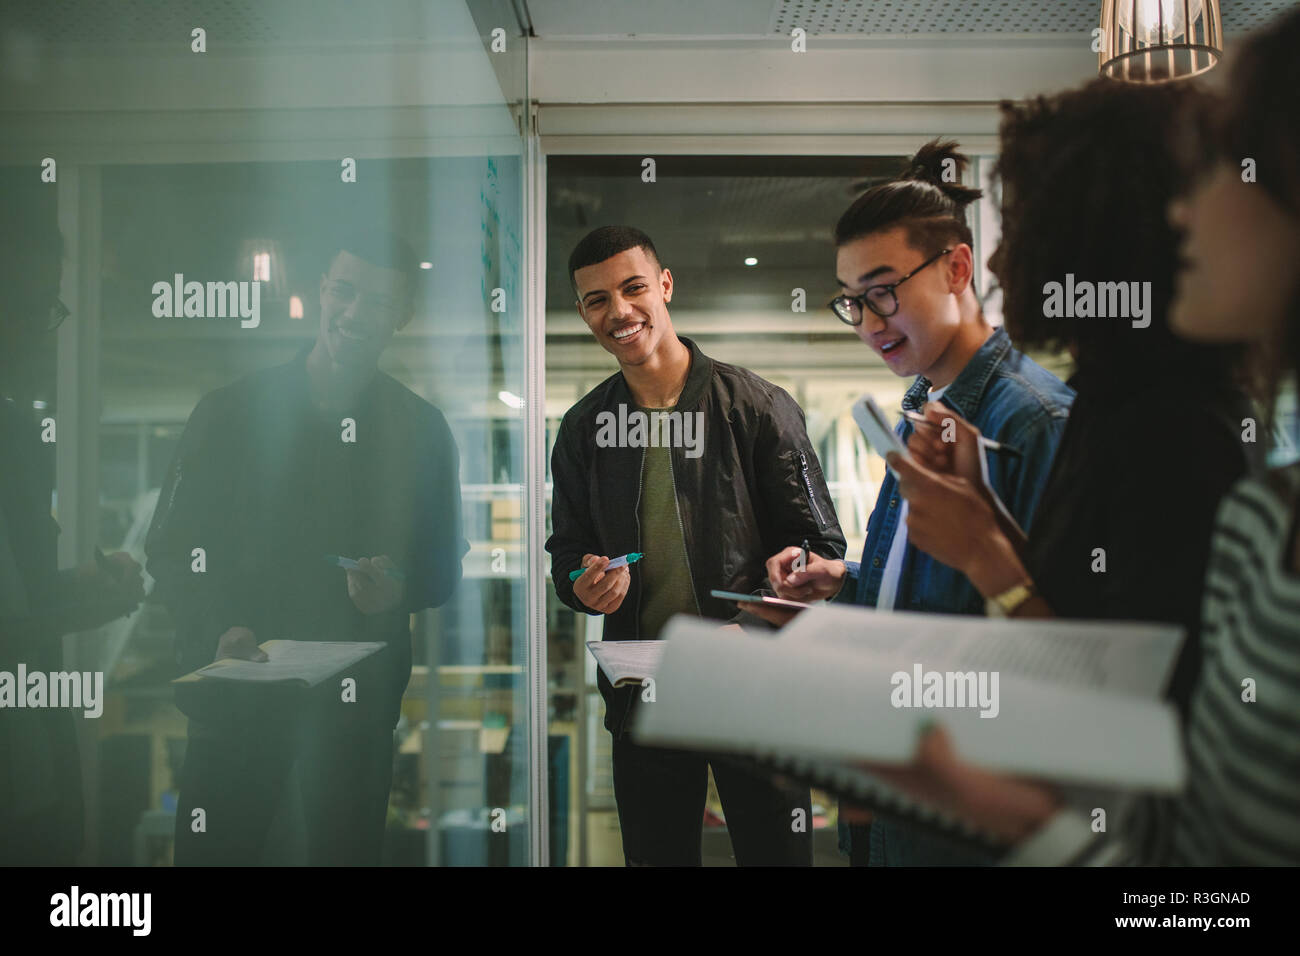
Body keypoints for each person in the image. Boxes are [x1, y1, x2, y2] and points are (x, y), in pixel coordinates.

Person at [868, 22, 1300, 863]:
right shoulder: (1121, 402)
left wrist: (988, 556)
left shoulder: (1164, 427)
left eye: (1023, 220)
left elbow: (1134, 723)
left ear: (1096, 231)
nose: (996, 263)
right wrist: (988, 521)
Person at [758, 142, 1074, 866]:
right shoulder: (920, 410)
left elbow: (1068, 647)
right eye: (851, 301)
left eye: (884, 290)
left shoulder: (1028, 423)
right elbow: (941, 595)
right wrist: (849, 583)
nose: (869, 320)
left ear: (958, 269)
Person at [146, 227, 468, 865]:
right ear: (319, 291)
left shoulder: (422, 431)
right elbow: (171, 547)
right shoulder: (230, 412)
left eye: (377, 302)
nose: (353, 314)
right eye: (343, 292)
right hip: (237, 700)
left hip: (352, 720)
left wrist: (396, 588)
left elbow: (441, 567)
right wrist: (218, 627)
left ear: (400, 316)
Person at [546, 225, 845, 866]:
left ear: (665, 286)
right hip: (646, 694)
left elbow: (819, 546)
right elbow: (566, 552)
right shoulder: (584, 430)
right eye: (597, 300)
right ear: (582, 312)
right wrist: (582, 582)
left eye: (632, 289)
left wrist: (764, 612)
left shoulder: (758, 408)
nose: (618, 312)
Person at [0, 190, 145, 865]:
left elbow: (19, 608)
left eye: (42, 308)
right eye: (19, 306)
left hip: (30, 771)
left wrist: (76, 593)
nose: (34, 330)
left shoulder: (14, 436)